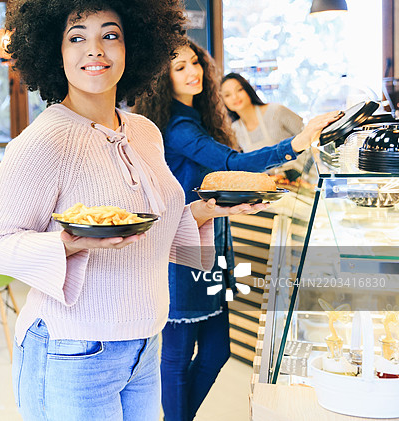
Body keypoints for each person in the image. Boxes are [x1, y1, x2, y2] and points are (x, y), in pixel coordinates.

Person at [0, 0, 266, 421]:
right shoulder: (41, 142)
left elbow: (153, 228)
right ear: (55, 51)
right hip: (72, 349)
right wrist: (68, 243)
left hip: (145, 339)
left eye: (110, 35)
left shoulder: (143, 131)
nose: (96, 50)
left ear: (133, 47)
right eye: (77, 37)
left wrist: (207, 210)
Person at [134, 40, 341, 421]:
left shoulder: (195, 118)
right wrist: (298, 140)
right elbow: (233, 161)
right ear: (163, 78)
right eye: (180, 67)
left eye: (195, 63)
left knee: (217, 352)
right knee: (178, 357)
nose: (193, 71)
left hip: (212, 249)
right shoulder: (177, 126)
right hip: (181, 253)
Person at [221, 72, 305, 152]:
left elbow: (307, 135)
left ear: (248, 89)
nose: (235, 97)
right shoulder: (235, 130)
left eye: (239, 90)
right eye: (227, 95)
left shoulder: (276, 111)